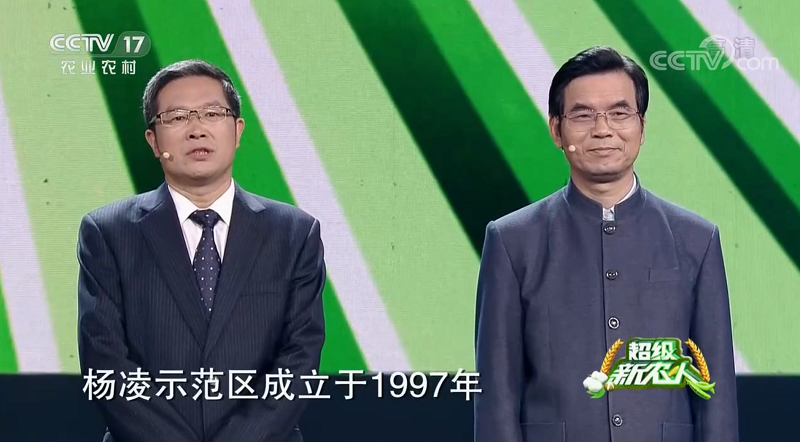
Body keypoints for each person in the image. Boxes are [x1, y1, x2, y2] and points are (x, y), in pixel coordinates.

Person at [474, 46, 738, 442]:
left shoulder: (696, 239)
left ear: (641, 127)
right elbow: (496, 395)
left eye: (619, 113)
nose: (602, 130)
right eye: (583, 115)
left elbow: (715, 395)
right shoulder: (512, 241)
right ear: (556, 130)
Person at [77, 59, 325, 442]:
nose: (196, 129)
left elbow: (300, 357)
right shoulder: (108, 232)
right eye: (177, 117)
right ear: (154, 141)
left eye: (212, 113)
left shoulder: (294, 232)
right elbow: (104, 359)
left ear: (237, 130)